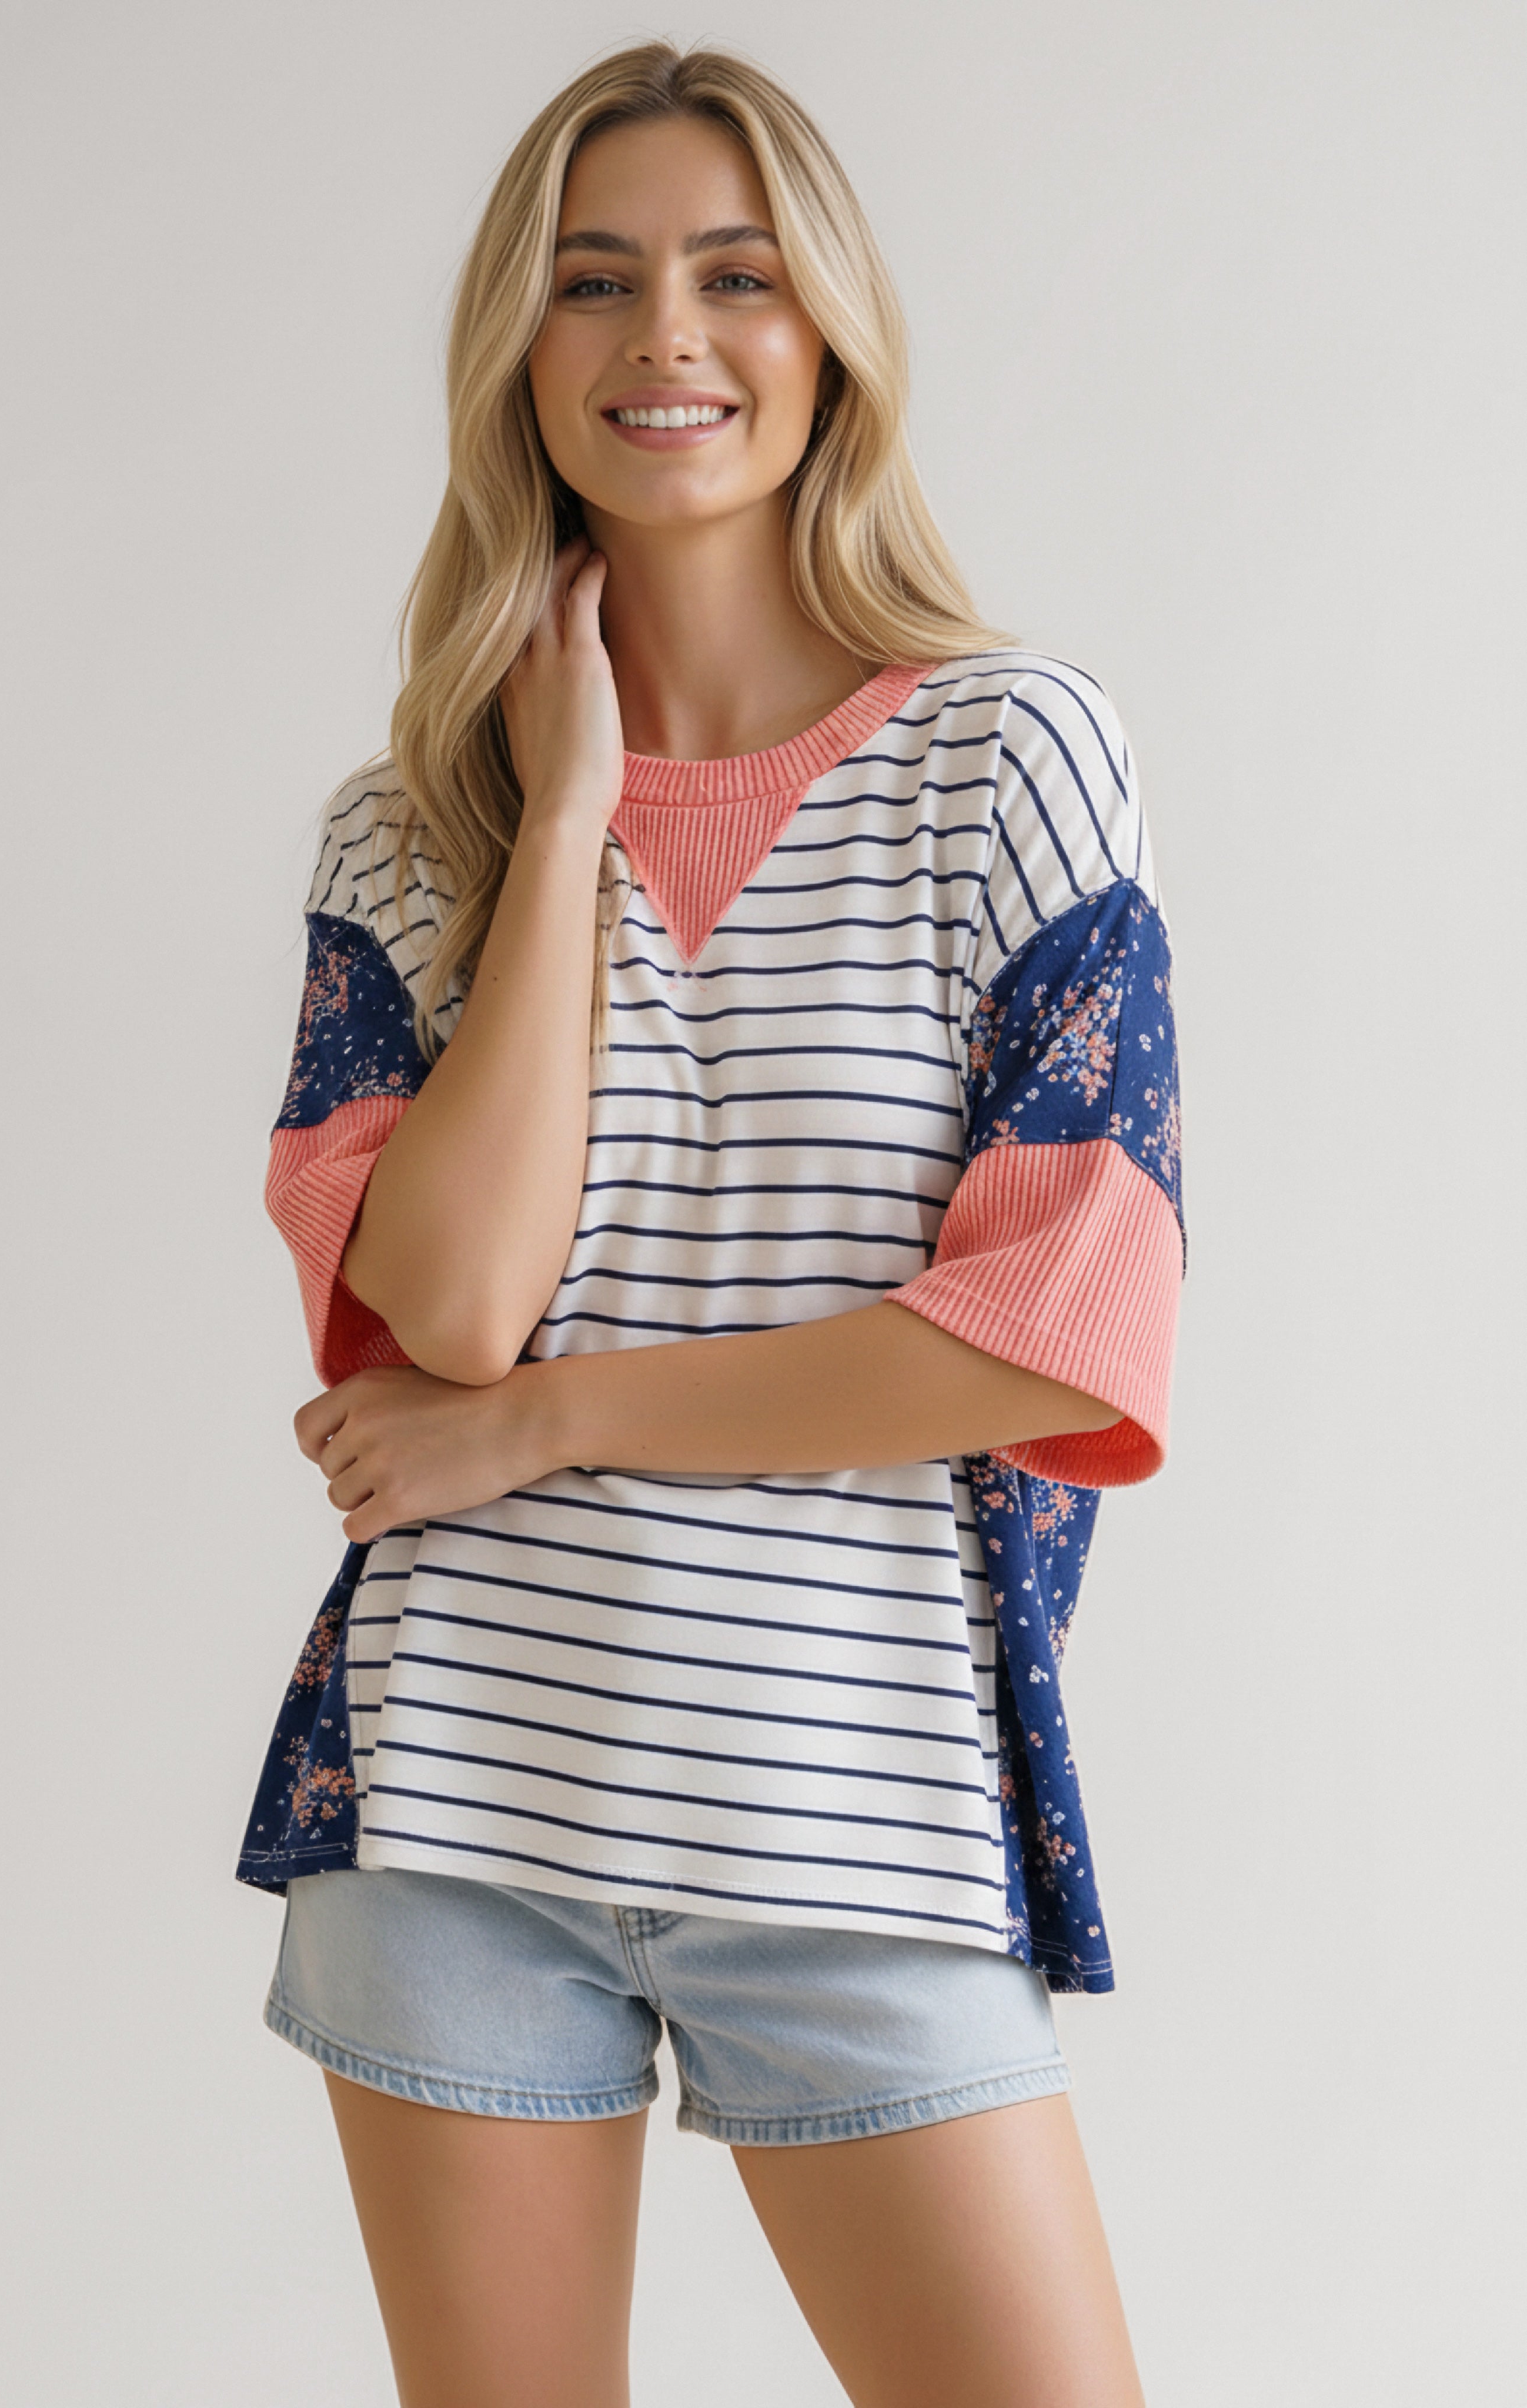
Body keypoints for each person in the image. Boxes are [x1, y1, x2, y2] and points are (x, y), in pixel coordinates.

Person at [237, 38, 1183, 2408]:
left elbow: (1050, 1333)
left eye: (734, 274)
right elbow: (446, 1305)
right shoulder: (409, 834)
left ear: (828, 331)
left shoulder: (1004, 755)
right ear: (519, 345)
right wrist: (560, 821)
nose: (666, 336)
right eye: (594, 280)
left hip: (860, 1813)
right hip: (460, 1800)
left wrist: (541, 1426)